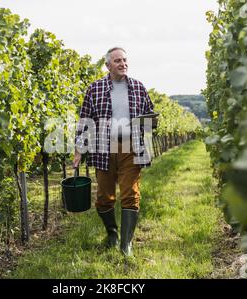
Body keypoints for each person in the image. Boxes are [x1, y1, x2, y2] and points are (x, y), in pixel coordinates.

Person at [73, 47, 156, 257]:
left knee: (130, 194)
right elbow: (85, 120)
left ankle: (126, 244)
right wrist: (78, 150)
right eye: (118, 61)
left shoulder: (138, 87)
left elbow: (150, 115)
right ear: (108, 65)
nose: (123, 64)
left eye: (125, 60)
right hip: (103, 147)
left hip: (131, 147)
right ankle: (112, 234)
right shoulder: (95, 89)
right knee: (104, 197)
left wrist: (149, 124)